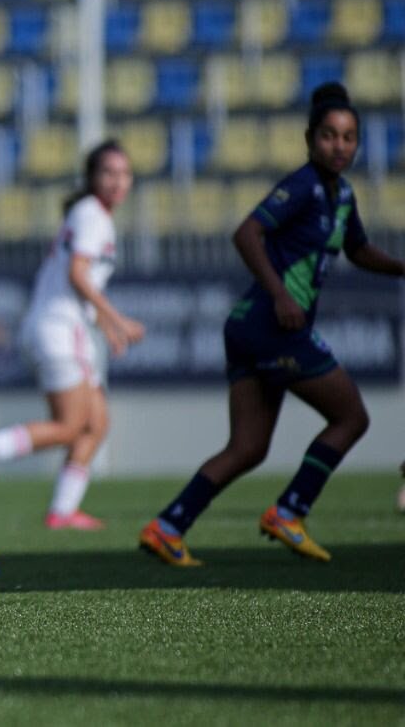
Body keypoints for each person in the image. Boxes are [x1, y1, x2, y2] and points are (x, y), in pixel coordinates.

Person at [140, 83, 405, 566]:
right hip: (274, 324)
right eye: (329, 136)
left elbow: (359, 250)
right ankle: (291, 510)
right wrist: (282, 294)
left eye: (348, 137)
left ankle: (168, 525)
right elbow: (246, 232)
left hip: (249, 328)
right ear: (310, 139)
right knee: (352, 418)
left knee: (247, 447)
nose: (339, 146)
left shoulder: (342, 194)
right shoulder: (302, 186)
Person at [0, 140, 145, 530]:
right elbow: (78, 275)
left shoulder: (89, 215)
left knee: (96, 424)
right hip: (60, 330)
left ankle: (62, 510)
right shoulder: (93, 215)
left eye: (124, 173)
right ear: (92, 178)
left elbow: (73, 281)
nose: (117, 181)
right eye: (108, 172)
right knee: (71, 425)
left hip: (57, 325)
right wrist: (118, 319)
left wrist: (104, 326)